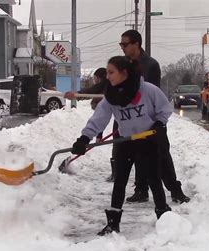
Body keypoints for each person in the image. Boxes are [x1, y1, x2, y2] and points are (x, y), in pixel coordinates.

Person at [70, 56, 172, 235]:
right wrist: (84, 139)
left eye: (111, 72)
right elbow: (98, 119)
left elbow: (165, 108)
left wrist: (159, 124)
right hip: (126, 141)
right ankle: (113, 224)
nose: (107, 76)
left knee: (154, 179)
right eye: (107, 72)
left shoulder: (147, 90)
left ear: (124, 73)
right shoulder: (111, 96)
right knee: (120, 182)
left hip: (148, 140)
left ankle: (164, 219)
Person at [119, 29, 190, 204]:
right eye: (121, 44)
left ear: (136, 44)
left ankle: (175, 191)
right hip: (133, 118)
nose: (122, 47)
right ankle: (141, 190)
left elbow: (145, 91)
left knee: (161, 156)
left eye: (125, 44)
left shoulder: (150, 65)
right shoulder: (124, 64)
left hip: (152, 119)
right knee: (138, 156)